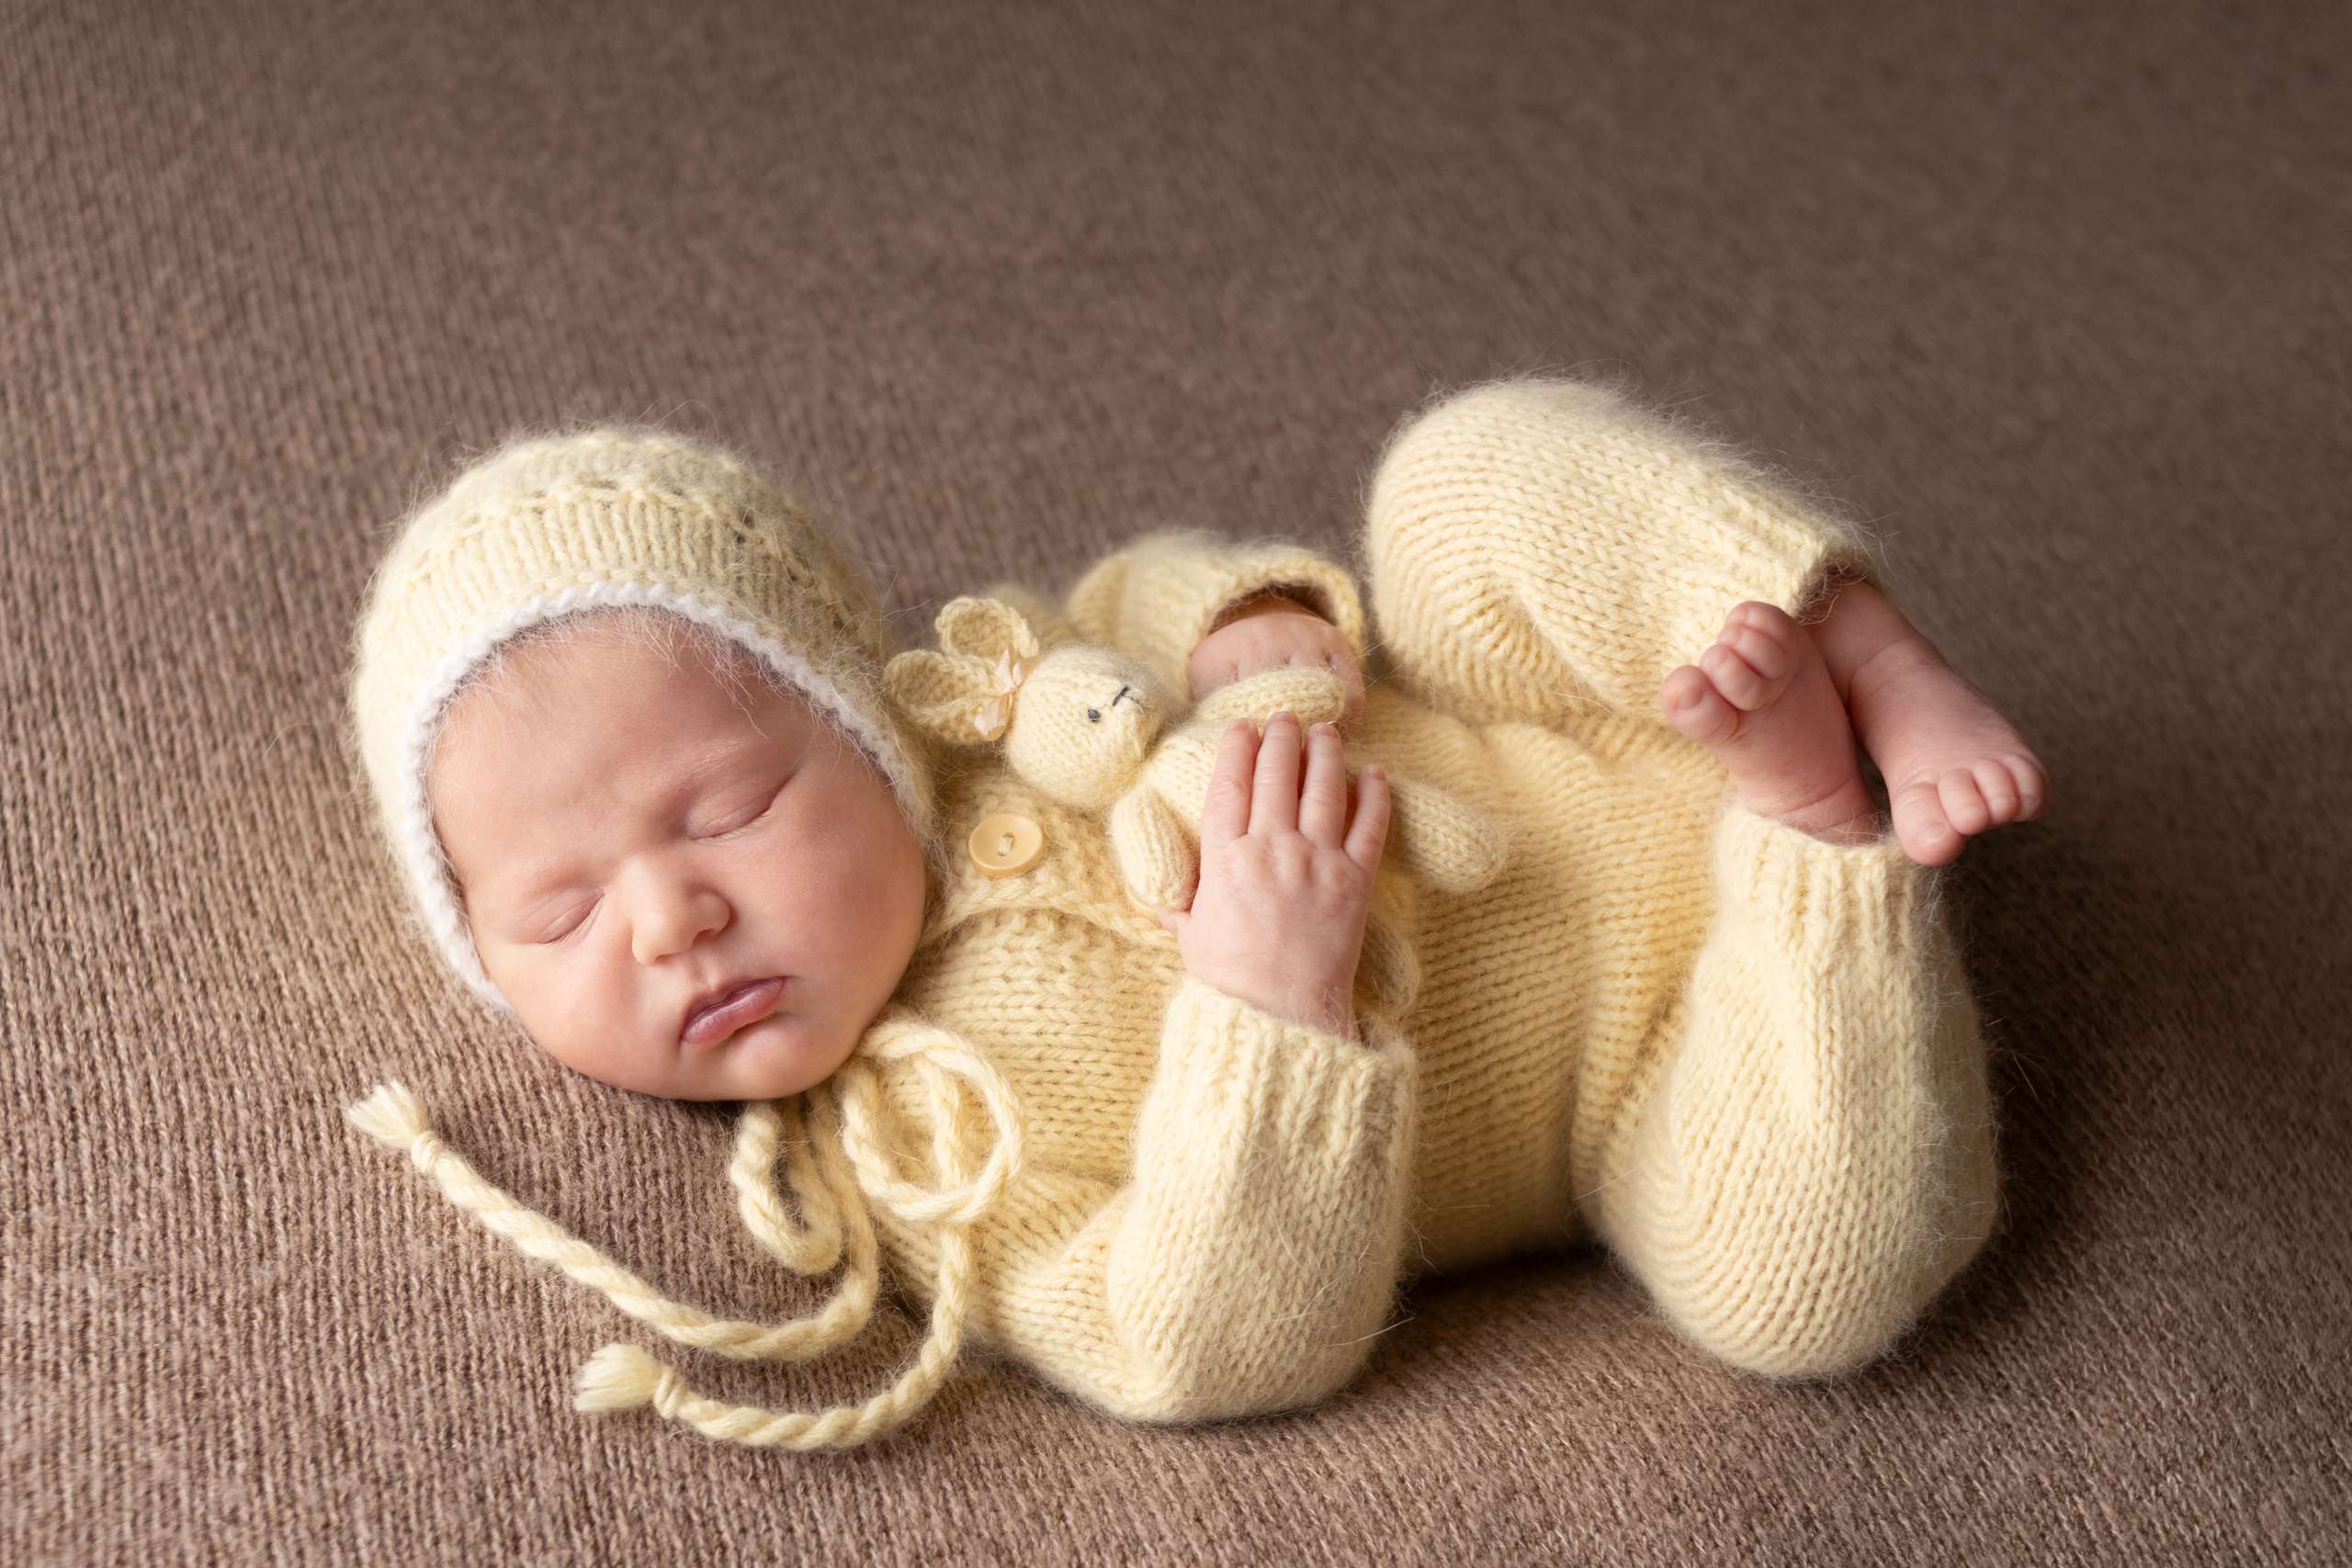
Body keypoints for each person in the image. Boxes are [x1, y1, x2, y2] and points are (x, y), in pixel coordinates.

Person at [346, 379, 2044, 1450]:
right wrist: (1268, 1000)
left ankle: (1866, 651)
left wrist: (1239, 622)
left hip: (1566, 704)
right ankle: (1824, 837)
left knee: (1459, 474)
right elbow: (1197, 1345)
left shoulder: (993, 686)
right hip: (1650, 1064)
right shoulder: (939, 1158)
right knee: (1798, 1295)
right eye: (555, 915)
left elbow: (1141, 586)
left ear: (863, 722)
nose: (667, 921)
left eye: (725, 809)